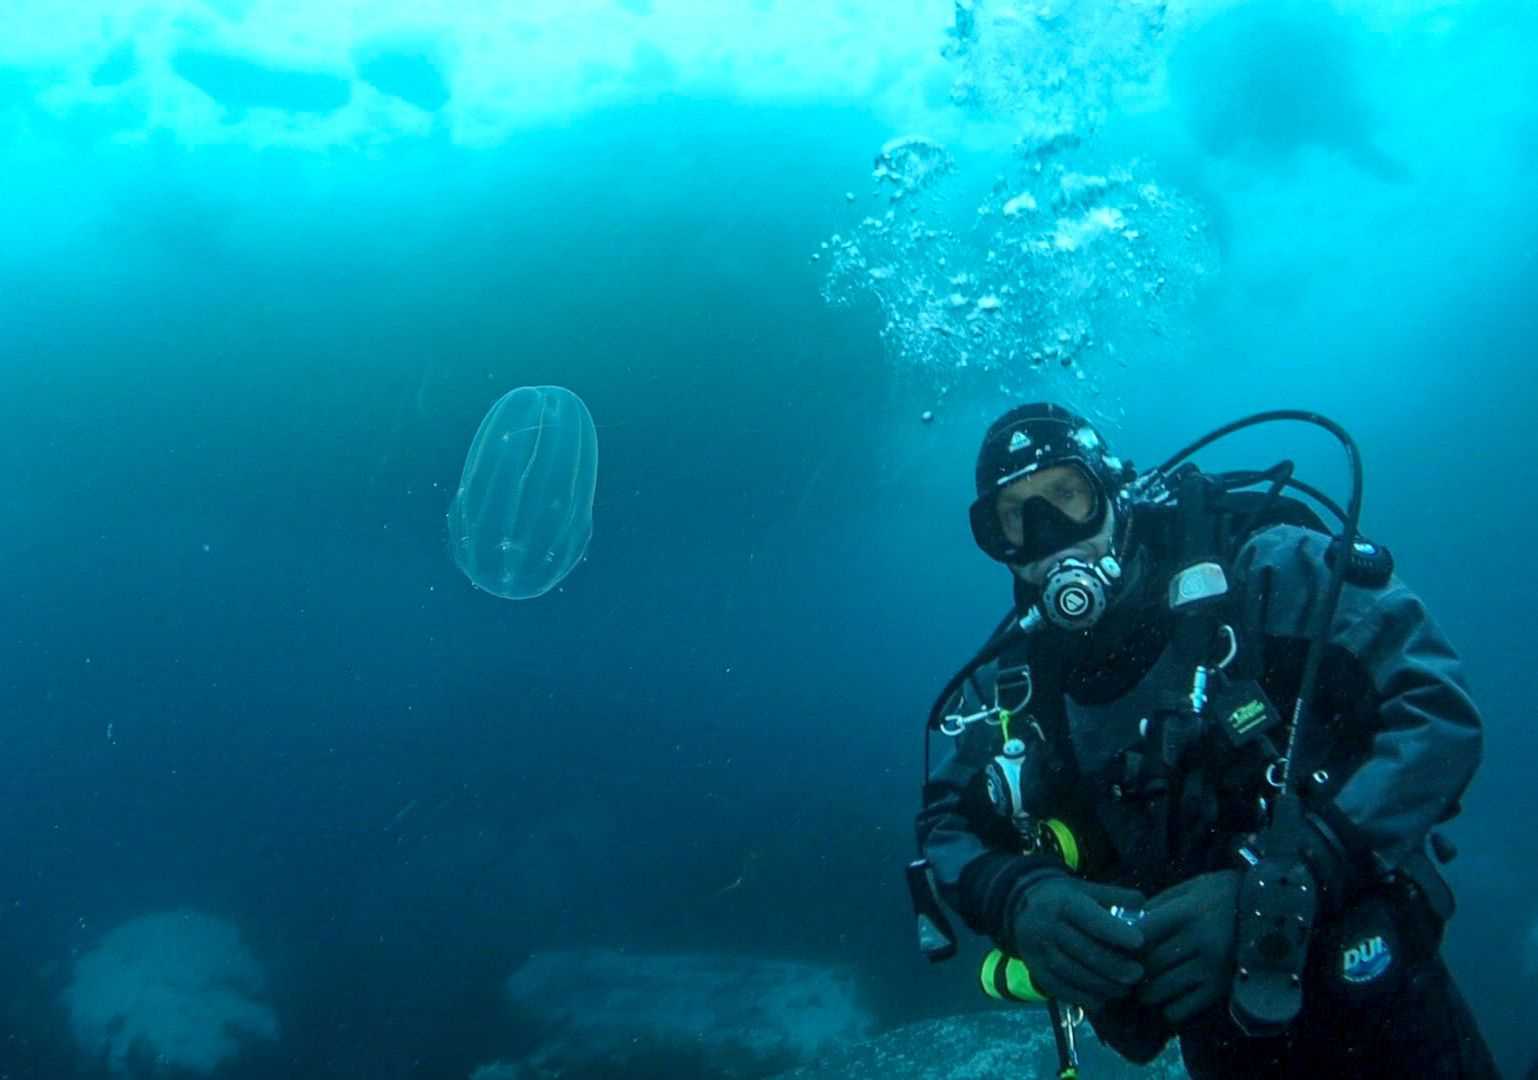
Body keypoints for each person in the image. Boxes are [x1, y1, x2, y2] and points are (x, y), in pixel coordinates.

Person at [911, 403, 1499, 1077]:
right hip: (1218, 1036)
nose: (1049, 536)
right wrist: (1016, 897)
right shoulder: (1016, 679)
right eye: (1016, 518)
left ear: (1114, 491)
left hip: (1379, 1002)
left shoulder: (1261, 570)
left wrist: (1299, 875)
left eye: (1067, 497)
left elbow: (1436, 706)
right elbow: (944, 818)